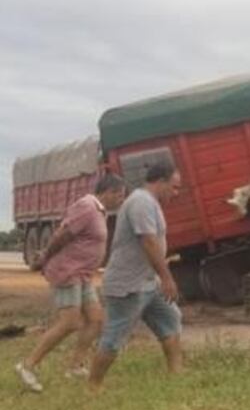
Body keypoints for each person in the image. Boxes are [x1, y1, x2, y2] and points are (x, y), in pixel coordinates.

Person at [14, 174, 127, 392]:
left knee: (96, 320)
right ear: (108, 192)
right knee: (70, 322)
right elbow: (62, 235)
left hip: (83, 275)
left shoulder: (99, 211)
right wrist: (45, 257)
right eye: (119, 195)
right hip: (68, 272)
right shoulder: (86, 206)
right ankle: (28, 365)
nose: (121, 200)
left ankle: (75, 366)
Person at [89, 164, 183, 389]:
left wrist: (159, 277)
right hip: (128, 285)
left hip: (148, 283)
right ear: (160, 181)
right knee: (115, 337)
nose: (176, 193)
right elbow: (149, 242)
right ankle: (93, 386)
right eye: (174, 187)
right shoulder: (141, 202)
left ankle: (176, 375)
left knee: (170, 318)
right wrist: (167, 277)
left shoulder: (151, 203)